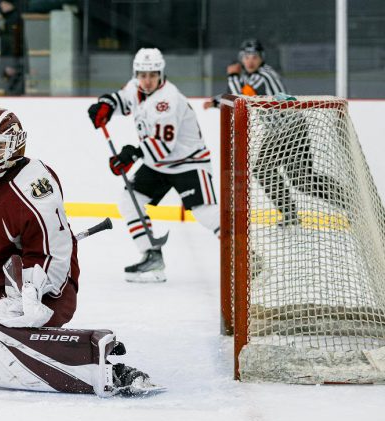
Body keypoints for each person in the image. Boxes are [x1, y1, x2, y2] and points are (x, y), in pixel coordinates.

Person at [0, 107, 157, 395]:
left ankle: (88, 364)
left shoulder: (33, 186)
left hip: (41, 281)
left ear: (16, 145)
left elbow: (56, 252)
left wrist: (33, 295)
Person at [88, 48, 219, 283]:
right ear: (136, 73)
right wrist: (106, 105)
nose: (147, 80)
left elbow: (163, 147)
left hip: (189, 162)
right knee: (130, 200)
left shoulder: (168, 100)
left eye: (152, 75)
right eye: (142, 74)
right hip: (159, 163)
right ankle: (151, 256)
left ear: (161, 74)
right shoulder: (135, 87)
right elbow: (122, 99)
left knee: (206, 214)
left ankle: (249, 258)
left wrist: (131, 154)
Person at [204, 39, 345, 226]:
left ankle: (295, 212)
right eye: (247, 57)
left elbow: (242, 96)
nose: (250, 61)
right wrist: (215, 101)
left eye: (255, 57)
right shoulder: (250, 77)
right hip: (286, 130)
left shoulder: (263, 75)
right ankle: (345, 203)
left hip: (288, 129)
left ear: (261, 58)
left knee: (265, 171)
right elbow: (236, 94)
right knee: (302, 181)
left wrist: (231, 77)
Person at [0, 0, 27, 95]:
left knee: (13, 91)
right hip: (9, 59)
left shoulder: (14, 19)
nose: (1, 5)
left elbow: (15, 43)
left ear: (11, 5)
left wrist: (12, 64)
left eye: (4, 3)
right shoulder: (9, 18)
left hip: (13, 61)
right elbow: (7, 37)